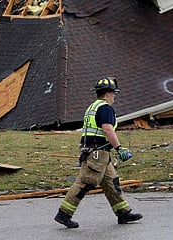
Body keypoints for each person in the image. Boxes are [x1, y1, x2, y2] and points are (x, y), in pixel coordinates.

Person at [54, 77, 143, 228]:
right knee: (85, 183)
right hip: (97, 154)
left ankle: (123, 213)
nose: (114, 96)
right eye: (113, 93)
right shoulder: (105, 108)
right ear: (108, 93)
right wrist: (119, 148)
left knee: (111, 183)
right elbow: (107, 129)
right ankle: (64, 214)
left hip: (99, 153)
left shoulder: (93, 107)